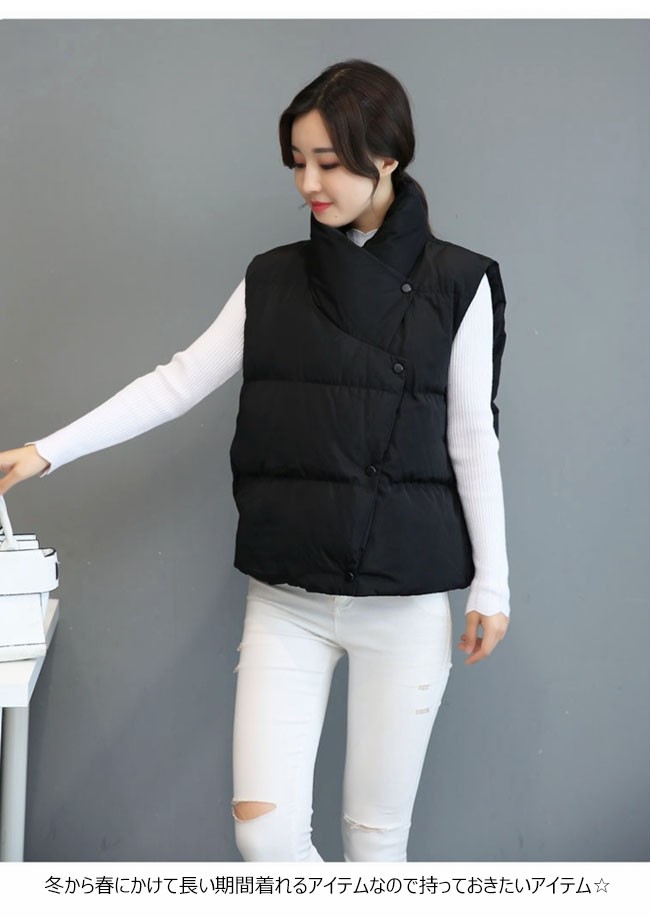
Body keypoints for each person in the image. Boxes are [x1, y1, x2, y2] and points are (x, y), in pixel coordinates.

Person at [0, 59, 510, 862]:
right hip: (287, 598)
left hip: (404, 602)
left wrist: (493, 585)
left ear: (387, 157)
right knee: (265, 841)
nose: (308, 183)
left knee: (375, 850)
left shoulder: (459, 281)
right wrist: (46, 452)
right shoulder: (275, 278)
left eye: (328, 163)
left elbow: (472, 436)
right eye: (297, 162)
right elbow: (176, 383)